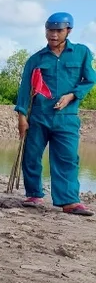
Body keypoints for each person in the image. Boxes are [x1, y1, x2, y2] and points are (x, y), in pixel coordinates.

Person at [16, 12, 95, 216]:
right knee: (31, 156)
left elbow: (89, 80)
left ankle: (69, 201)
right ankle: (34, 194)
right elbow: (25, 89)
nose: (53, 35)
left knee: (67, 158)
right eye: (50, 30)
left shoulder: (82, 53)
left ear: (68, 31)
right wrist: (22, 117)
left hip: (67, 118)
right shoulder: (36, 59)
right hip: (38, 117)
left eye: (58, 30)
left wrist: (72, 95)